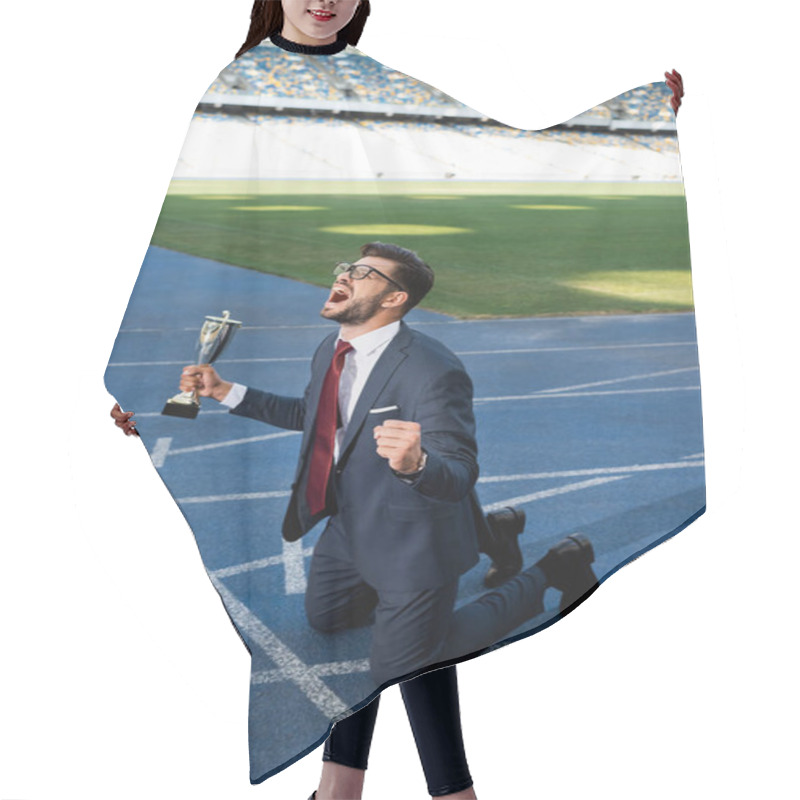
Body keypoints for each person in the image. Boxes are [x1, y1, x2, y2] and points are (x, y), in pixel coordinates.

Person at [109, 4, 686, 798]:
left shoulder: (431, 370)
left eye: (364, 273)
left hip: (414, 530)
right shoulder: (237, 91)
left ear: (397, 302)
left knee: (408, 652)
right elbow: (233, 278)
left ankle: (538, 590)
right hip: (354, 524)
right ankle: (499, 532)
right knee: (327, 620)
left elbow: (509, 154)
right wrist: (185, 392)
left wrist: (643, 118)